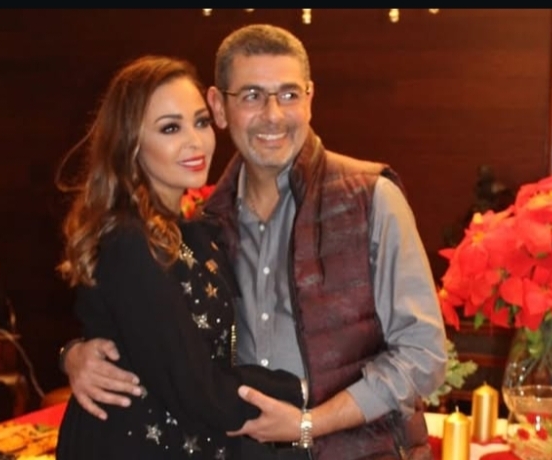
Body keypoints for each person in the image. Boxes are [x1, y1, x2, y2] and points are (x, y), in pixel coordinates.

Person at [61, 25, 448, 460]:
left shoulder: (370, 199)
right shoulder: (205, 222)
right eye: (251, 96)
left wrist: (310, 421)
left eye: (288, 94)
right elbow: (154, 331)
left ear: (310, 99)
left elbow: (424, 354)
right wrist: (75, 353)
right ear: (220, 106)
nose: (273, 115)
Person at [53, 54, 305, 459]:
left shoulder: (190, 230)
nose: (195, 141)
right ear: (130, 143)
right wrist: (310, 393)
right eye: (170, 128)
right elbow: (198, 389)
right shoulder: (128, 240)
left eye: (201, 122)